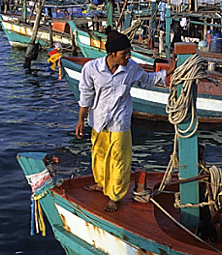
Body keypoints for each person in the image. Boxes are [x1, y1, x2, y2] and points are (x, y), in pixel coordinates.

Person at [75, 27, 177, 212]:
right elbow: (86, 95)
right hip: (98, 120)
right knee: (98, 155)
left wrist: (168, 72)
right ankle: (101, 183)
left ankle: (115, 196)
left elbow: (147, 79)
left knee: (119, 160)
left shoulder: (130, 68)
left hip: (119, 122)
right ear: (112, 54)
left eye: (129, 53)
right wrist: (81, 120)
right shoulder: (92, 69)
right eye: (124, 53)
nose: (128, 57)